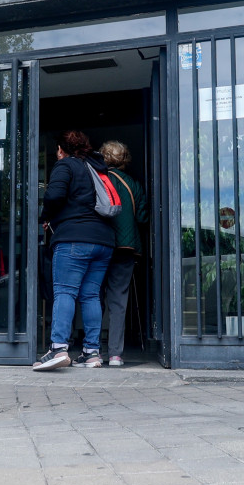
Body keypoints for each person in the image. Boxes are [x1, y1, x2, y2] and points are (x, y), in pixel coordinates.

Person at [33, 130, 115, 371]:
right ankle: (92, 353)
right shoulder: (96, 168)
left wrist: (46, 216)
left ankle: (58, 348)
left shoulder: (65, 165)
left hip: (74, 239)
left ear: (61, 149)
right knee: (90, 295)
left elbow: (54, 195)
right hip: (103, 241)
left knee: (65, 292)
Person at [99, 140, 148, 368]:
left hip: (101, 244)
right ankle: (115, 355)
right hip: (126, 247)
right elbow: (143, 218)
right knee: (118, 300)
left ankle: (92, 350)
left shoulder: (99, 180)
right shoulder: (133, 184)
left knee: (93, 296)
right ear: (125, 159)